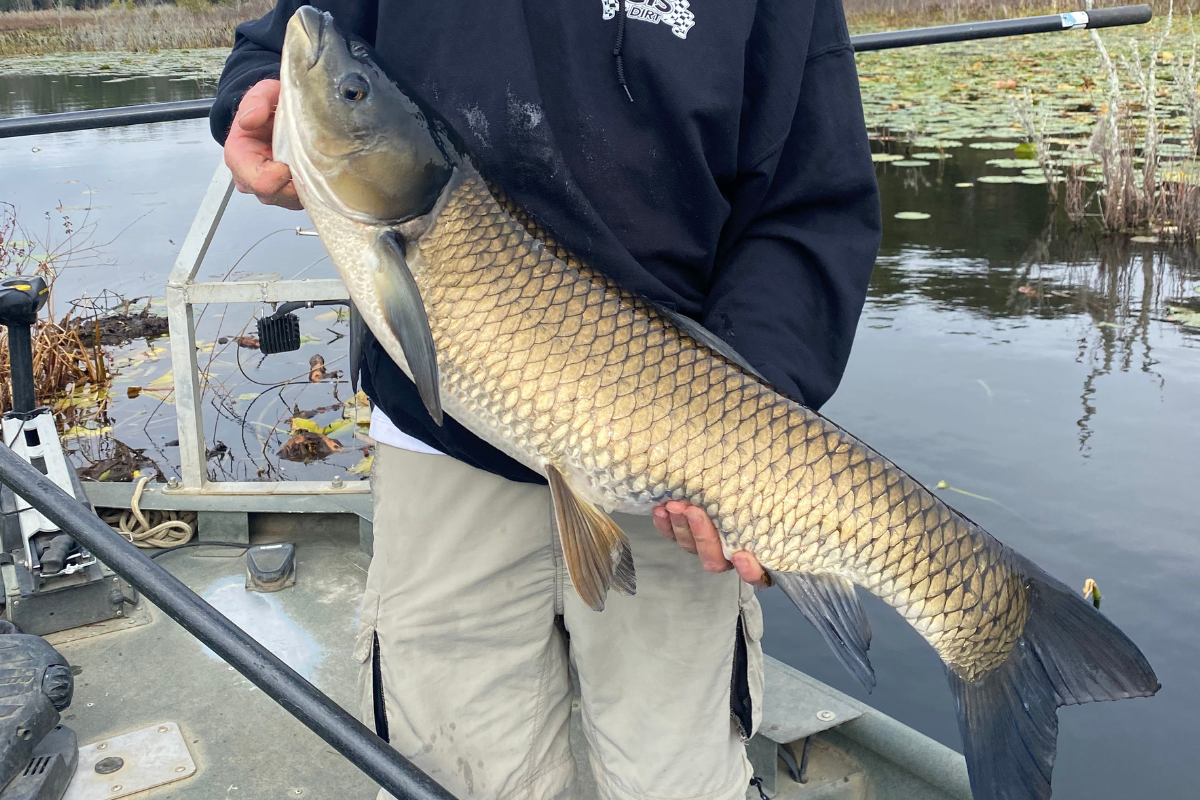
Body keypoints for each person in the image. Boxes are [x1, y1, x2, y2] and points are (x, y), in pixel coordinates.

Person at [210, 0, 880, 797]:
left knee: (677, 780)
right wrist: (260, 87)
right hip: (442, 443)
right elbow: (305, 29)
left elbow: (809, 205)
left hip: (677, 446)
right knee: (454, 770)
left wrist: (750, 414)